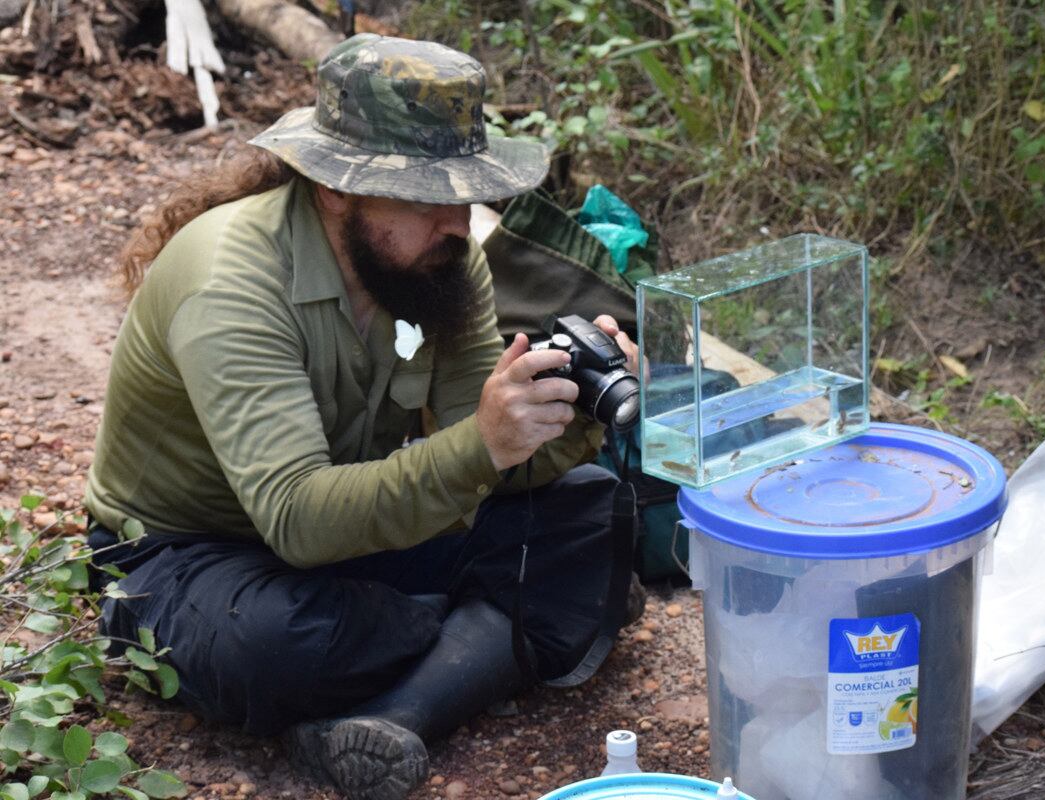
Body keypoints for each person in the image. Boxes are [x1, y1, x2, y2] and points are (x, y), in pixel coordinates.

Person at [84, 33, 640, 800]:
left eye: (466, 194)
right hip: (189, 555)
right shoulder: (230, 281)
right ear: (335, 187)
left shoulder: (442, 260)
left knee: (588, 510)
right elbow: (299, 518)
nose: (458, 221)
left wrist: (564, 411)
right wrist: (482, 447)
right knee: (275, 642)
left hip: (357, 526)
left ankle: (393, 710)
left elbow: (489, 465)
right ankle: (471, 632)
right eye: (426, 196)